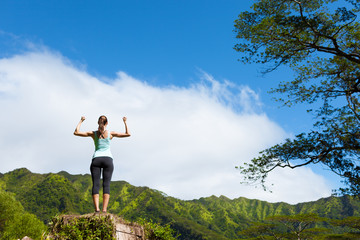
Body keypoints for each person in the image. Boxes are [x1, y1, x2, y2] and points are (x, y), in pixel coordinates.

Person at [74, 115, 130, 213]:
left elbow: (76, 132)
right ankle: (104, 210)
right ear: (107, 123)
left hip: (96, 159)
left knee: (95, 184)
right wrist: (125, 122)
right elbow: (128, 134)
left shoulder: (93, 133)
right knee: (106, 185)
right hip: (108, 160)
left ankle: (97, 209)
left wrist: (81, 121)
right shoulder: (110, 133)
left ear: (98, 122)